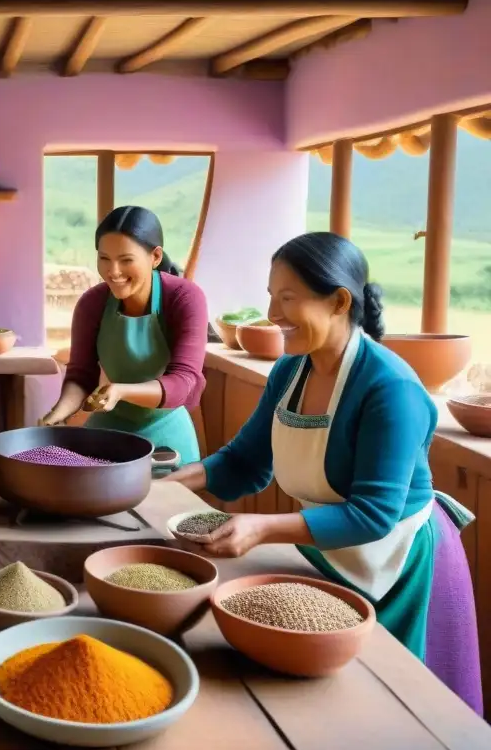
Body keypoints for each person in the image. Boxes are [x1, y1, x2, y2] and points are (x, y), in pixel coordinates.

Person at [164, 231, 482, 715]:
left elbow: (375, 515)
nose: (272, 314)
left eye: (287, 298)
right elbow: (244, 461)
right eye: (271, 297)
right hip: (332, 549)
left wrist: (262, 528)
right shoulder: (291, 371)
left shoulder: (389, 387)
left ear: (338, 301)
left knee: (396, 712)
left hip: (400, 562)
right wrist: (164, 483)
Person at [40, 206, 207, 465]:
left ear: (155, 256)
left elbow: (183, 381)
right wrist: (55, 416)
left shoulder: (185, 298)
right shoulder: (92, 303)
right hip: (108, 430)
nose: (113, 272)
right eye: (104, 259)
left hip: (167, 430)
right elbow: (80, 376)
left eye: (126, 260)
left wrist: (120, 391)